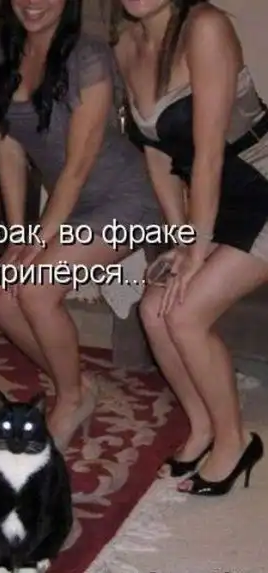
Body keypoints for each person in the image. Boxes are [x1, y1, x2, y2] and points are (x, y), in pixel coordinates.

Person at [0, 0, 159, 450]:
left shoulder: (88, 57)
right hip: (72, 206)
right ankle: (77, 381)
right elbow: (8, 153)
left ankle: (72, 399)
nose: (33, 2)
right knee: (1, 300)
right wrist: (17, 237)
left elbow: (77, 167)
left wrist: (39, 241)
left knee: (36, 288)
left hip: (125, 196)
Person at [115, 0, 266, 496]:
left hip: (261, 188)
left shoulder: (206, 27)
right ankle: (201, 426)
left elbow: (208, 157)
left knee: (184, 314)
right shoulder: (126, 45)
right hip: (216, 203)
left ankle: (235, 441)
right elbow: (157, 156)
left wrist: (194, 249)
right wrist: (183, 237)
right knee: (153, 310)